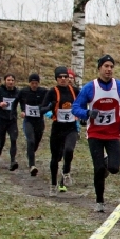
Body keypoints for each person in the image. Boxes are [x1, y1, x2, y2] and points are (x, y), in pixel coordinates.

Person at [71, 55, 120, 212]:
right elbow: (75, 107)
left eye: (111, 66)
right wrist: (87, 113)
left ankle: (106, 163)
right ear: (99, 68)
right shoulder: (89, 88)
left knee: (114, 168)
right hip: (95, 134)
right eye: (106, 66)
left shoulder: (119, 86)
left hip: (113, 134)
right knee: (98, 169)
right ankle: (100, 201)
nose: (109, 69)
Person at [40, 66, 79, 196]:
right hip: (57, 128)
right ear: (56, 79)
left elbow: (83, 104)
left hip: (71, 127)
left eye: (65, 77)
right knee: (55, 159)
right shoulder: (52, 92)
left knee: (69, 149)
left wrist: (84, 115)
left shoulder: (75, 91)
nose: (63, 79)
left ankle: (66, 172)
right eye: (60, 77)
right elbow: (41, 109)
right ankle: (53, 184)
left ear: (69, 78)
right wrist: (49, 107)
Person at [0, 74, 21, 170]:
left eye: (12, 80)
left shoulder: (17, 92)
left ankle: (13, 161)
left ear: (14, 82)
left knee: (13, 139)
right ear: (5, 81)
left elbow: (23, 101)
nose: (10, 82)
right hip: (1, 119)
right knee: (1, 140)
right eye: (8, 80)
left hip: (12, 119)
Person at [18, 73, 48, 176]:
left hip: (39, 121)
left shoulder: (43, 91)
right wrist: (22, 110)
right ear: (29, 83)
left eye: (36, 83)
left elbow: (51, 101)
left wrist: (45, 109)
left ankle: (30, 154)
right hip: (28, 120)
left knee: (36, 142)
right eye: (32, 83)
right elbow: (17, 101)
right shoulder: (24, 91)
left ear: (38, 83)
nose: (34, 85)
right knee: (30, 140)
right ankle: (32, 166)